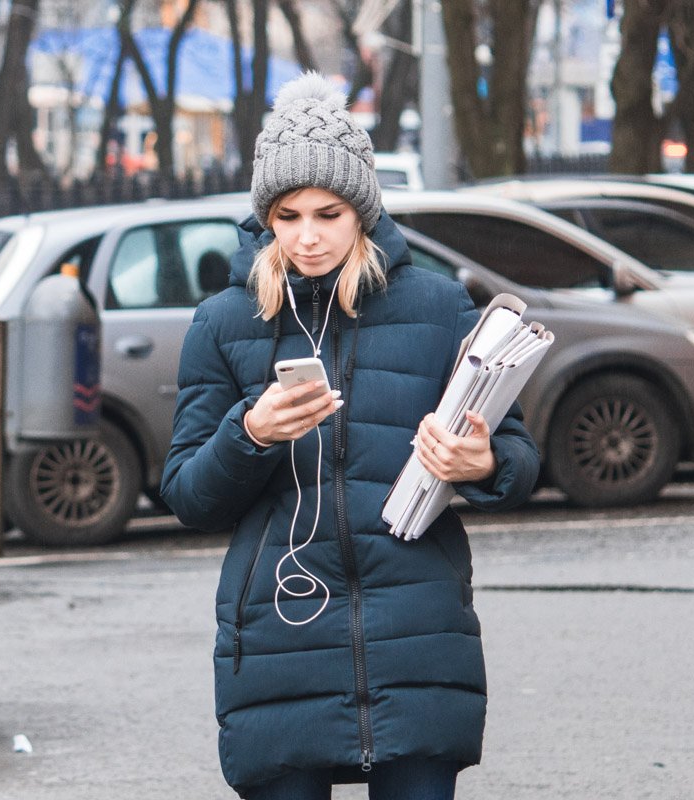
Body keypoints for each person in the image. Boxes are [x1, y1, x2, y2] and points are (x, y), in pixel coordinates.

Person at [160, 72, 540, 799]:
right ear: (265, 216)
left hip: (416, 630)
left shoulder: (437, 306)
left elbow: (520, 461)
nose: (307, 236)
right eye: (287, 215)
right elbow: (187, 495)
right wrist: (251, 433)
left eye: (328, 214)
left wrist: (483, 461)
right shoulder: (224, 322)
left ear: (361, 211)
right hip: (279, 635)